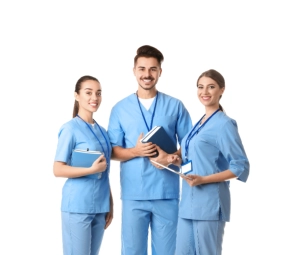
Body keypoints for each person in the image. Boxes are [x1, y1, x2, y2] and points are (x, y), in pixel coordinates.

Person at [107, 45, 192, 255]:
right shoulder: (119, 109)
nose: (147, 74)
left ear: (160, 72)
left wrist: (171, 158)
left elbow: (190, 145)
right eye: (142, 69)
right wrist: (135, 152)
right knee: (132, 251)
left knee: (167, 251)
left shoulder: (175, 106)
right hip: (133, 194)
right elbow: (111, 151)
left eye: (153, 69)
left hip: (166, 194)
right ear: (134, 71)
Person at [158, 69, 250, 254]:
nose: (204, 92)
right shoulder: (198, 124)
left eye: (211, 87)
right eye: (200, 87)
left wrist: (203, 180)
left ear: (221, 90)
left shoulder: (224, 124)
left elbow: (240, 165)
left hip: (209, 204)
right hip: (188, 205)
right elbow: (194, 161)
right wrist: (174, 160)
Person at [53, 75, 113, 255]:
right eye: (88, 92)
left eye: (98, 93)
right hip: (77, 206)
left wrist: (109, 203)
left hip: (100, 206)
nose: (94, 97)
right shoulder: (70, 129)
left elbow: (106, 170)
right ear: (77, 95)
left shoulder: (102, 131)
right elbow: (58, 169)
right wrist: (91, 169)